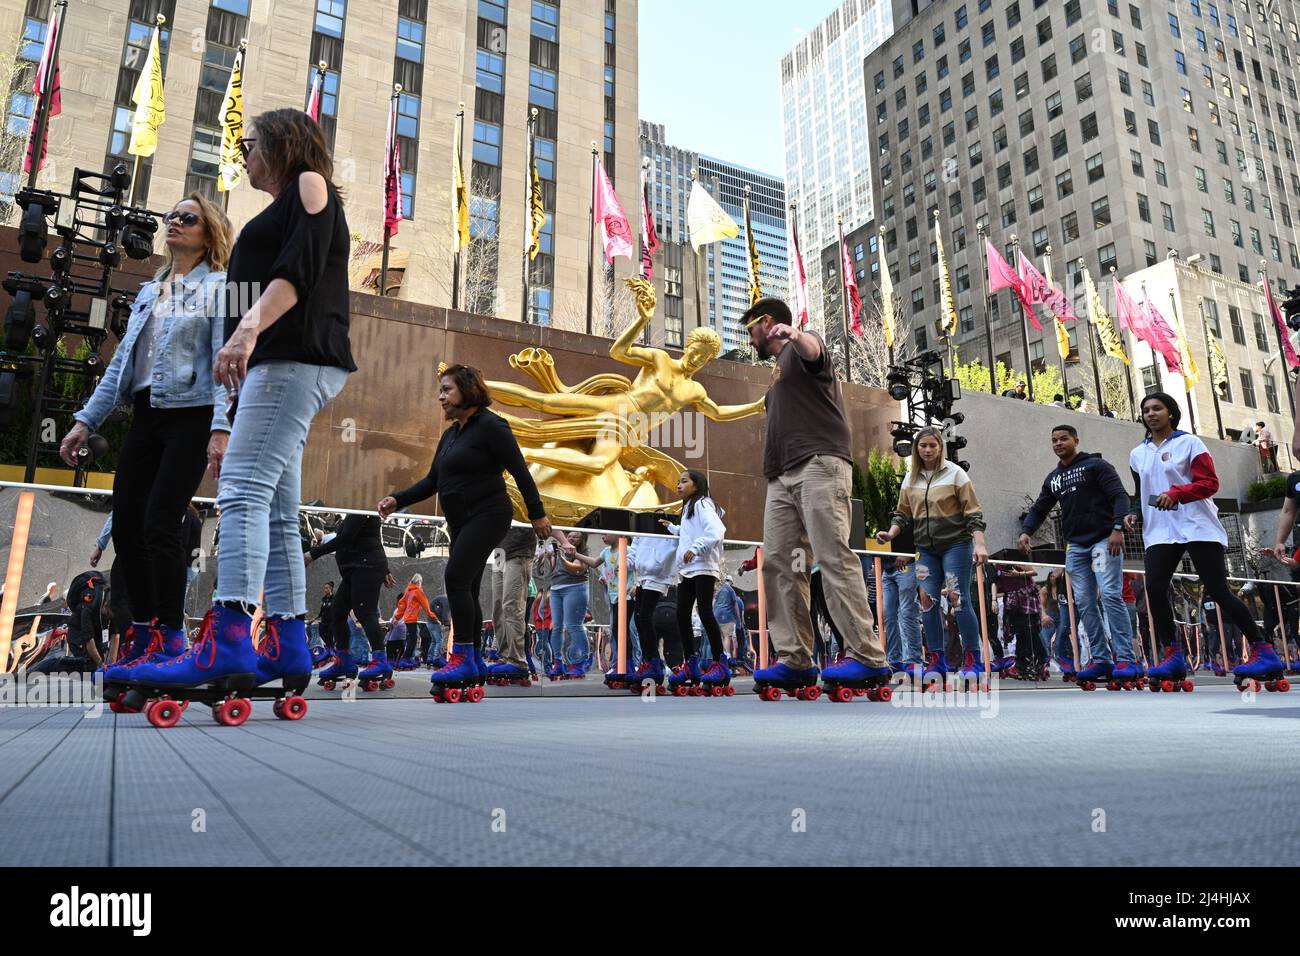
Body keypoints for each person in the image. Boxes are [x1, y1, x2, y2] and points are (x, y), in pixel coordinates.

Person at [127, 109, 356, 707]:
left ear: (279, 145)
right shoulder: (280, 206)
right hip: (277, 367)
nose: (243, 153)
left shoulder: (310, 184)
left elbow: (297, 275)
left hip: (292, 359)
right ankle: (285, 638)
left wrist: (245, 333)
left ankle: (228, 637)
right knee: (276, 507)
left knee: (243, 493)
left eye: (248, 143)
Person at [61, 194, 232, 689]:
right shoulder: (149, 288)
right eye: (170, 216)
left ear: (210, 233)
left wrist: (220, 428)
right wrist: (85, 422)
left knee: (162, 522)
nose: (173, 223)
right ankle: (142, 633)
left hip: (192, 416)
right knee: (129, 526)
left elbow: (225, 361)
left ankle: (172, 637)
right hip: (146, 414)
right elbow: (121, 366)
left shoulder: (222, 287)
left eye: (187, 218)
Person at [379, 364, 566, 700]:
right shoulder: (451, 435)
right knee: (468, 582)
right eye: (440, 390)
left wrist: (538, 515)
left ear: (468, 390)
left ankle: (463, 655)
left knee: (456, 577)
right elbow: (433, 481)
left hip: (489, 514)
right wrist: (399, 499)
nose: (441, 396)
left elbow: (521, 472)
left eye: (447, 389)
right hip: (461, 520)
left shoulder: (492, 426)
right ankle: (475, 658)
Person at [743, 297, 891, 700]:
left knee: (831, 556)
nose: (748, 337)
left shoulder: (800, 350)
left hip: (819, 467)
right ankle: (795, 659)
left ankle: (867, 655)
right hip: (781, 478)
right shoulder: (777, 375)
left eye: (749, 329)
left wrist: (797, 335)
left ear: (767, 323)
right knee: (780, 564)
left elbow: (816, 351)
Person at [1124, 392, 1280, 691]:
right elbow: (1140, 491)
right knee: (1155, 588)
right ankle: (1173, 655)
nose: (1151, 414)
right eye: (1146, 410)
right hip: (1160, 531)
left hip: (1197, 526)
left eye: (1158, 408)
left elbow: (1210, 483)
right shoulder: (1137, 454)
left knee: (1219, 590)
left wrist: (1177, 493)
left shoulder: (1190, 443)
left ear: (1171, 413)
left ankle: (1264, 651)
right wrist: (1132, 514)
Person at [1019, 424, 1141, 689]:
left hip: (1102, 542)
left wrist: (1117, 527)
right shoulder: (1054, 477)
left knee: (1109, 594)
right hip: (1076, 547)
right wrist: (1026, 531)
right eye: (1054, 440)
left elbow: (1119, 496)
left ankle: (1126, 659)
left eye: (1064, 439)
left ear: (1076, 439)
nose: (1059, 443)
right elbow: (1041, 506)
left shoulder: (1096, 466)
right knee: (1084, 602)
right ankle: (1101, 659)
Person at [878, 426, 989, 689]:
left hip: (955, 545)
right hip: (925, 549)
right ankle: (936, 660)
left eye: (932, 446)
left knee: (956, 597)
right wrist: (891, 533)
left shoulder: (955, 474)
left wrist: (980, 544)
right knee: (926, 601)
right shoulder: (910, 478)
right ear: (917, 449)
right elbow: (902, 513)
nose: (928, 450)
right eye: (923, 446)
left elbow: (973, 511)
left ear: (940, 447)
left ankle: (973, 659)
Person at [660, 469, 730, 694]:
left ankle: (721, 663)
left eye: (684, 482)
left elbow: (717, 530)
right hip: (688, 569)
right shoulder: (690, 507)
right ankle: (691, 663)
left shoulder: (702, 504)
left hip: (703, 566)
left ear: (697, 485)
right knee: (682, 613)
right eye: (678, 482)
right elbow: (691, 532)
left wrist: (696, 548)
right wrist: (672, 528)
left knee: (705, 612)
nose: (678, 485)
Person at [307, 514, 395, 689]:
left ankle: (380, 660)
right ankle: (344, 660)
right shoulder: (355, 511)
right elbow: (374, 538)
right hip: (354, 570)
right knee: (337, 612)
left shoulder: (362, 506)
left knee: (365, 612)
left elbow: (346, 538)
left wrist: (312, 554)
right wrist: (385, 569)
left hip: (365, 567)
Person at [626, 529, 679, 689]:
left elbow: (679, 539)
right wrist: (625, 562)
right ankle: (648, 660)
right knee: (638, 617)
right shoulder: (641, 527)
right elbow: (634, 549)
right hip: (642, 576)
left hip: (658, 576)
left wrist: (670, 527)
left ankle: (654, 663)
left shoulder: (669, 527)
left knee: (645, 617)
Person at [488, 527, 536, 681]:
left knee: (512, 605)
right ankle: (504, 656)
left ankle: (517, 660)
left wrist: (563, 540)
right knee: (498, 608)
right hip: (499, 553)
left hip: (519, 549)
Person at [544, 531, 593, 679]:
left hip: (575, 587)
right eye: (569, 535)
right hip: (556, 588)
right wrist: (549, 557)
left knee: (574, 625)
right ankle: (558, 662)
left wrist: (561, 558)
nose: (572, 538)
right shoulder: (559, 549)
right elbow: (552, 570)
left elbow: (577, 569)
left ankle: (580, 662)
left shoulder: (582, 553)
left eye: (576, 536)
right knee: (557, 626)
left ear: (582, 540)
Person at [712, 574, 746, 668]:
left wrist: (713, 612)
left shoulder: (719, 590)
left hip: (717, 615)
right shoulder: (731, 590)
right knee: (728, 636)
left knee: (722, 637)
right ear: (730, 582)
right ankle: (727, 655)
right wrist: (738, 618)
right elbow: (735, 605)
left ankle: (722, 655)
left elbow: (714, 602)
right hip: (727, 616)